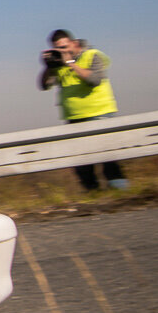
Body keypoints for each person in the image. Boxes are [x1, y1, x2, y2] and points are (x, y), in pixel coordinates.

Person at [38, 28, 127, 192]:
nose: (62, 51)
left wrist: (71, 63)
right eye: (58, 48)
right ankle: (92, 194)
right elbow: (44, 85)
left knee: (108, 156)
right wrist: (48, 66)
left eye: (64, 47)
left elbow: (94, 79)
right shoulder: (58, 63)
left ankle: (120, 191)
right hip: (73, 117)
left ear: (74, 43)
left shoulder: (92, 55)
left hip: (99, 113)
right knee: (83, 162)